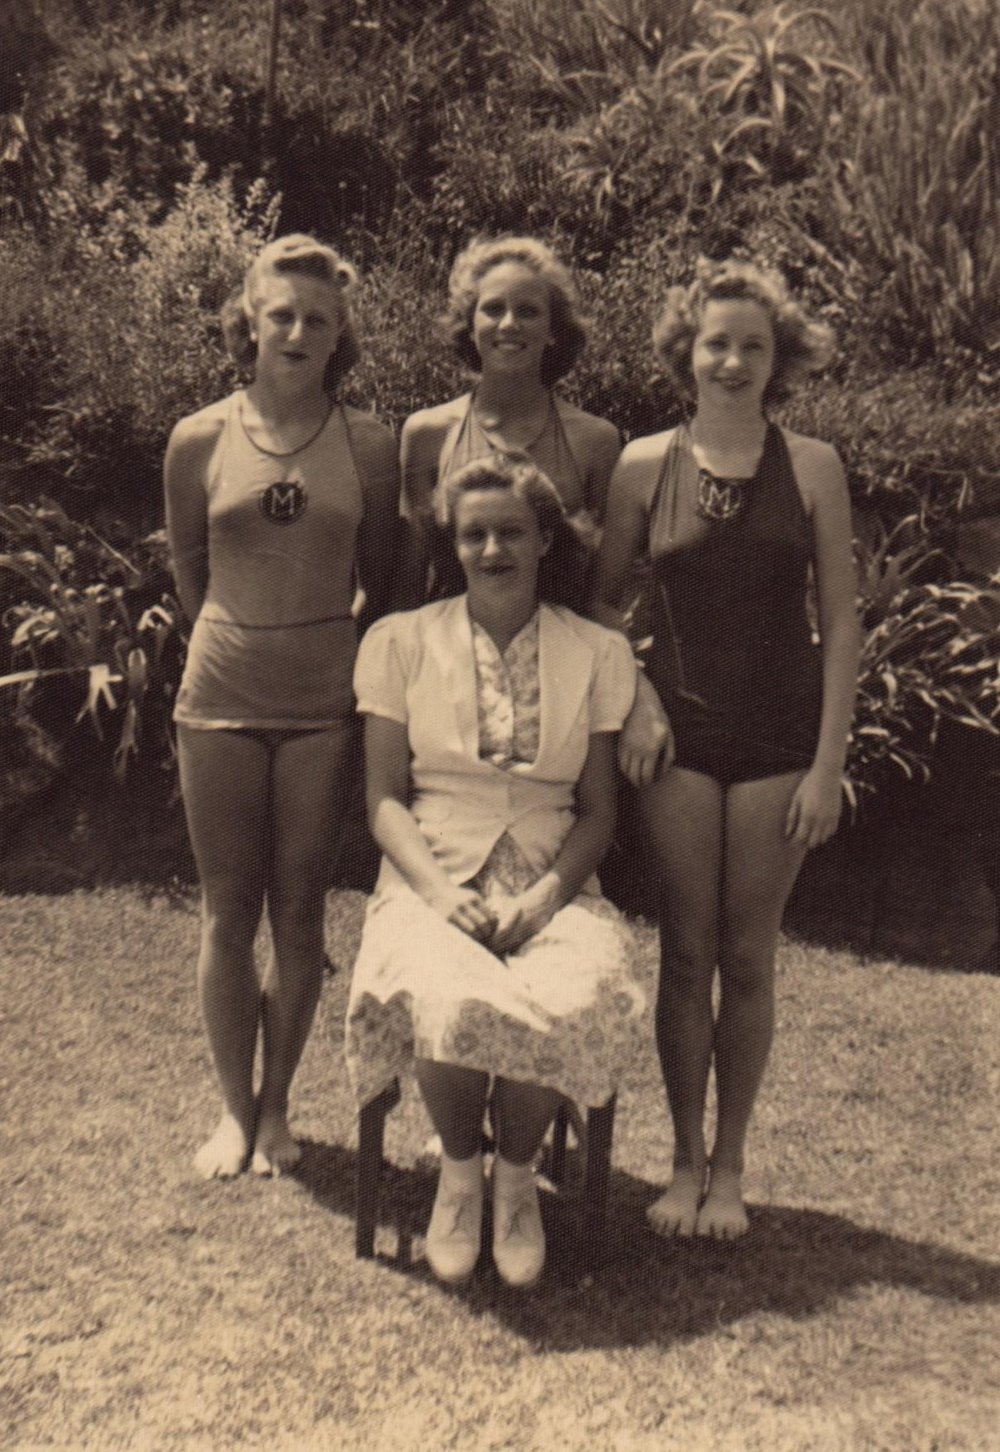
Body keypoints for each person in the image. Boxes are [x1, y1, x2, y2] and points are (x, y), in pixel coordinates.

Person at [594, 258, 859, 1240]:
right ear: (685, 352)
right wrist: (631, 703)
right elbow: (595, 606)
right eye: (717, 342)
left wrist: (829, 764)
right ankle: (680, 1163)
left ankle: (733, 1166)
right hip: (679, 741)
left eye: (753, 344)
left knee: (748, 957)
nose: (733, 360)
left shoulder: (815, 467)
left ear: (776, 356)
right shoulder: (639, 464)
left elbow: (841, 619)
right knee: (685, 949)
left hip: (782, 744)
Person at [345, 454, 645, 1288]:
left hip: (553, 879)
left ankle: (516, 1182)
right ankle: (459, 1173)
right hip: (430, 874)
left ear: (546, 538)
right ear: (454, 542)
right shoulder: (400, 641)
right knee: (448, 989)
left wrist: (548, 900)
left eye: (511, 531)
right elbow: (382, 800)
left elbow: (599, 812)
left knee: (572, 991)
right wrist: (441, 896)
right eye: (473, 533)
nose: (492, 549)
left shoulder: (594, 652)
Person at [165, 234, 399, 1180]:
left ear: (340, 335)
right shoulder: (196, 438)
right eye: (281, 315)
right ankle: (231, 1113)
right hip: (218, 695)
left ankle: (276, 1111)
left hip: (320, 705)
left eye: (318, 319)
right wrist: (244, 636)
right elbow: (188, 572)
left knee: (300, 911)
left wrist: (315, 650)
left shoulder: (371, 443)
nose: (298, 331)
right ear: (248, 324)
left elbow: (381, 581)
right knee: (229, 910)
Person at [399, 235, 621, 603]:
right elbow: (410, 577)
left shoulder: (595, 441)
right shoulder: (428, 435)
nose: (509, 324)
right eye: (493, 309)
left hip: (560, 645)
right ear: (469, 326)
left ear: (553, 330)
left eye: (528, 311)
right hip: (452, 648)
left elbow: (603, 584)